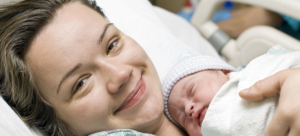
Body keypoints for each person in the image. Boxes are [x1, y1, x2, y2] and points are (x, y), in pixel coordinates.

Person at [0, 0, 300, 136]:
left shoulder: (199, 90)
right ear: (55, 125)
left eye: (111, 44)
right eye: (80, 83)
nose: (120, 75)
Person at [162, 46, 300, 136]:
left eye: (192, 90)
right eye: (183, 119)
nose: (188, 109)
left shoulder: (253, 74)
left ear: (224, 72)